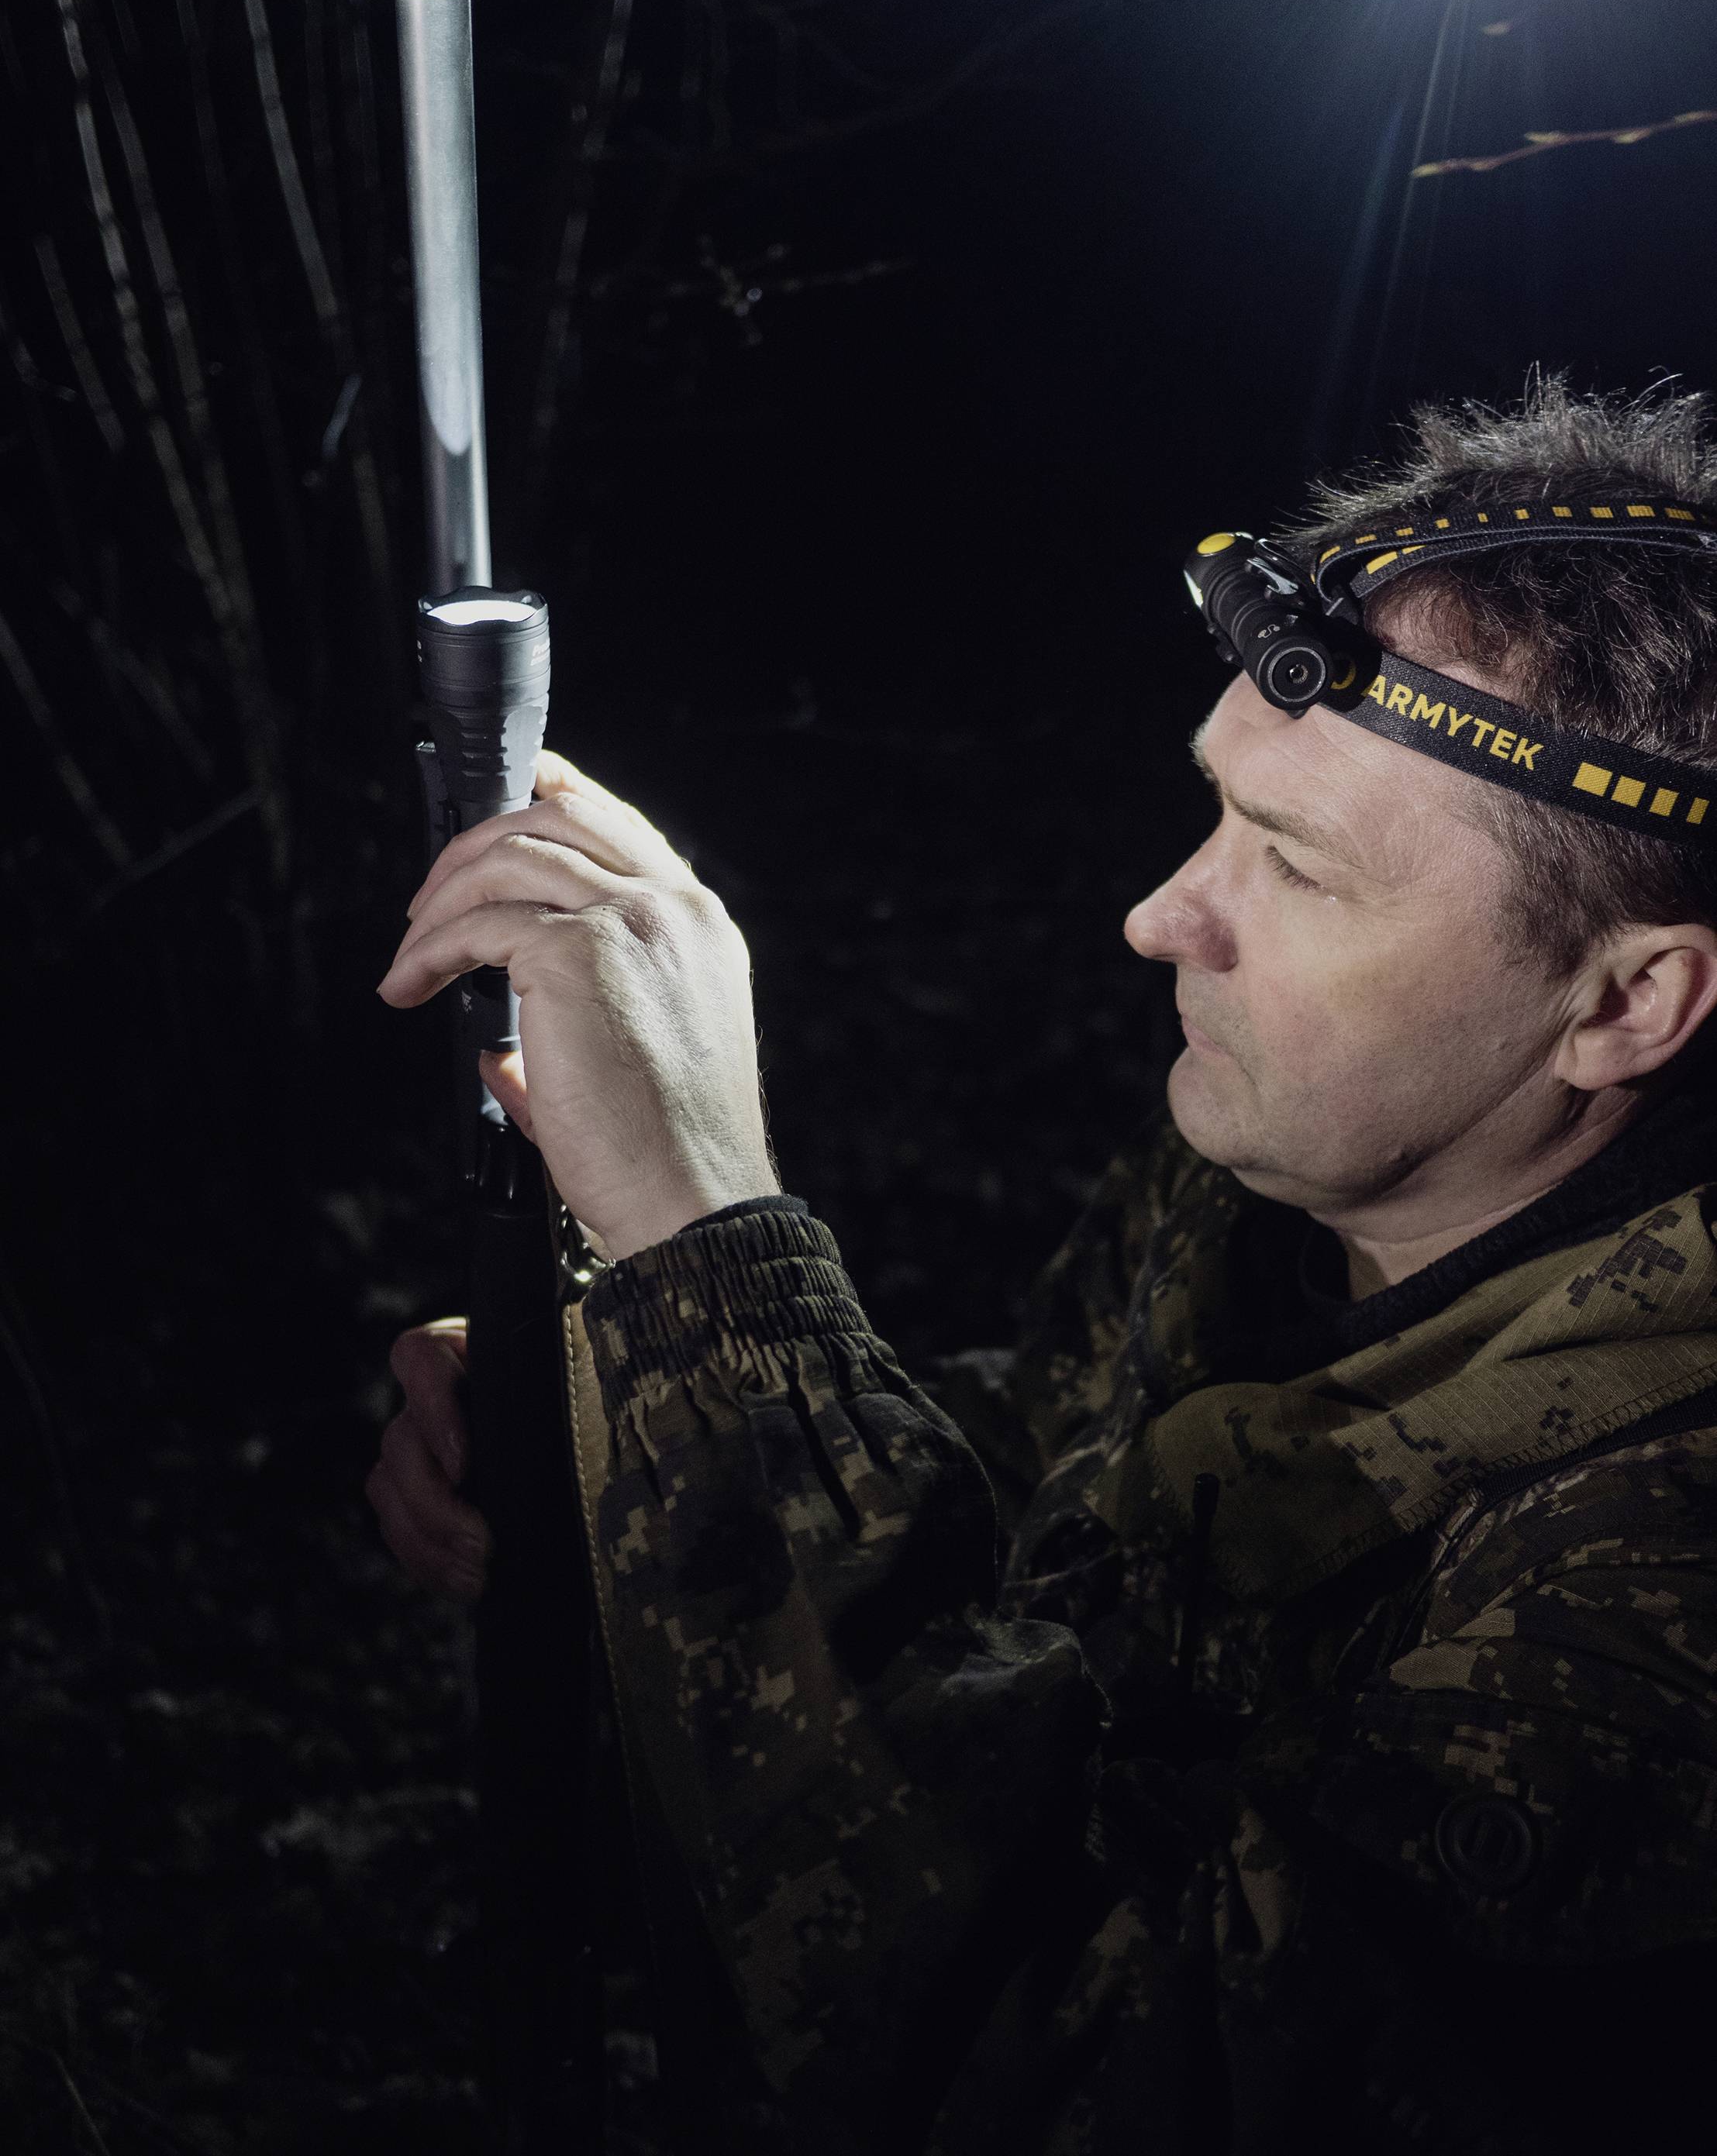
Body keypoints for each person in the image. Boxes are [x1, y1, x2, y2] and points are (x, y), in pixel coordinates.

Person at [366, 377, 1717, 2154]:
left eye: (1297, 870)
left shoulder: (1667, 1553)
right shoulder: (1259, 1192)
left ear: (1624, 1002)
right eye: (1219, 809)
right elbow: (1058, 1545)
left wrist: (711, 1247)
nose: (1165, 913)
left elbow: (1092, 2067)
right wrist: (637, 1438)